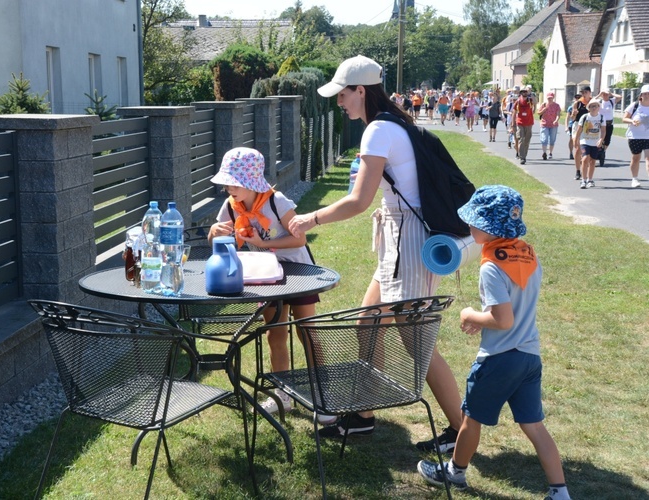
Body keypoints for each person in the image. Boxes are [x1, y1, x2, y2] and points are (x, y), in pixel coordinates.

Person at [288, 55, 463, 446]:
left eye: (343, 94)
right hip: (403, 239)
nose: (339, 102)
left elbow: (358, 200)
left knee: (416, 340)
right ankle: (363, 415)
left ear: (361, 91)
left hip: (409, 242)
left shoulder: (378, 131)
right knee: (368, 322)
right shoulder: (391, 124)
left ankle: (462, 430)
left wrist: (308, 219)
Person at [417, 185, 571, 500]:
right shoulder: (528, 254)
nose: (469, 226)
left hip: (499, 358)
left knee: (470, 420)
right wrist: (485, 318)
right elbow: (513, 311)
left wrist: (472, 314)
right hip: (529, 356)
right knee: (535, 426)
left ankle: (455, 473)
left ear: (489, 227)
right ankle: (560, 492)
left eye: (474, 221)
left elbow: (503, 320)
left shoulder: (491, 267)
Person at [207, 147, 332, 422]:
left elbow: (299, 240)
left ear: (251, 182)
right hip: (265, 275)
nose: (228, 188)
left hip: (299, 273)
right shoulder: (231, 206)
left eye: (233, 183)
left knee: (306, 332)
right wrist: (214, 233)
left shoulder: (277, 201)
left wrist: (264, 243)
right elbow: (220, 244)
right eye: (227, 183)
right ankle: (282, 394)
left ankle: (320, 396)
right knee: (274, 333)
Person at [622, 84, 649, 188]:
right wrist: (632, 121)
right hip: (635, 136)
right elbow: (624, 118)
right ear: (641, 95)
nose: (646, 95)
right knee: (636, 157)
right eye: (644, 94)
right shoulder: (635, 105)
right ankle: (635, 179)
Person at [573, 98, 605, 188]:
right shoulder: (585, 117)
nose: (594, 108)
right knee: (585, 158)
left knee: (592, 161)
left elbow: (603, 131)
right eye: (592, 106)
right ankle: (583, 180)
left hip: (595, 142)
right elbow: (579, 130)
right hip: (585, 140)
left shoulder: (602, 117)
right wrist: (576, 140)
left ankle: (590, 180)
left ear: (599, 107)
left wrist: (601, 140)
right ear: (589, 108)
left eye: (596, 106)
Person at [595, 88, 622, 167]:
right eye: (604, 94)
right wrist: (599, 94)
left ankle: (603, 151)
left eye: (606, 94)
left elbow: (620, 97)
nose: (605, 96)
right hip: (600, 123)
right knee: (599, 138)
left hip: (609, 124)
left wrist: (611, 93)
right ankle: (597, 151)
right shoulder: (599, 102)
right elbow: (591, 101)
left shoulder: (611, 101)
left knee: (607, 140)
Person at [571, 86, 592, 180]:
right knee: (578, 148)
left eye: (585, 92)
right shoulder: (578, 103)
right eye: (582, 92)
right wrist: (574, 113)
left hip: (589, 127)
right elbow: (572, 118)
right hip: (577, 125)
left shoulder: (593, 102)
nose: (583, 94)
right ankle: (577, 170)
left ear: (589, 92)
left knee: (588, 149)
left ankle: (585, 169)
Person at [510, 86, 535, 165]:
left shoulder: (530, 100)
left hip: (529, 123)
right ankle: (522, 157)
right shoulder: (517, 102)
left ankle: (524, 155)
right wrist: (513, 123)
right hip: (520, 123)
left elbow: (535, 104)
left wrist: (532, 95)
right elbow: (514, 112)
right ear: (521, 93)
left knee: (527, 141)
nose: (524, 94)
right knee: (521, 139)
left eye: (526, 92)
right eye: (523, 92)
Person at [537, 92, 561, 160]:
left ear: (553, 98)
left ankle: (550, 153)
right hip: (544, 124)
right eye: (548, 98)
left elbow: (558, 114)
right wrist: (543, 110)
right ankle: (544, 152)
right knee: (544, 139)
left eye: (551, 98)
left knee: (552, 140)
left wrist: (556, 120)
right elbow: (538, 113)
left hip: (553, 125)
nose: (549, 99)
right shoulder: (544, 105)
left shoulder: (557, 106)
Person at [565, 93, 581, 162]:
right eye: (576, 98)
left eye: (579, 98)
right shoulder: (571, 107)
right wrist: (566, 126)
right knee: (572, 139)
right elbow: (567, 117)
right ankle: (571, 152)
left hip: (581, 125)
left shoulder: (583, 106)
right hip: (572, 125)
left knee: (580, 140)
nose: (577, 99)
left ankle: (579, 152)